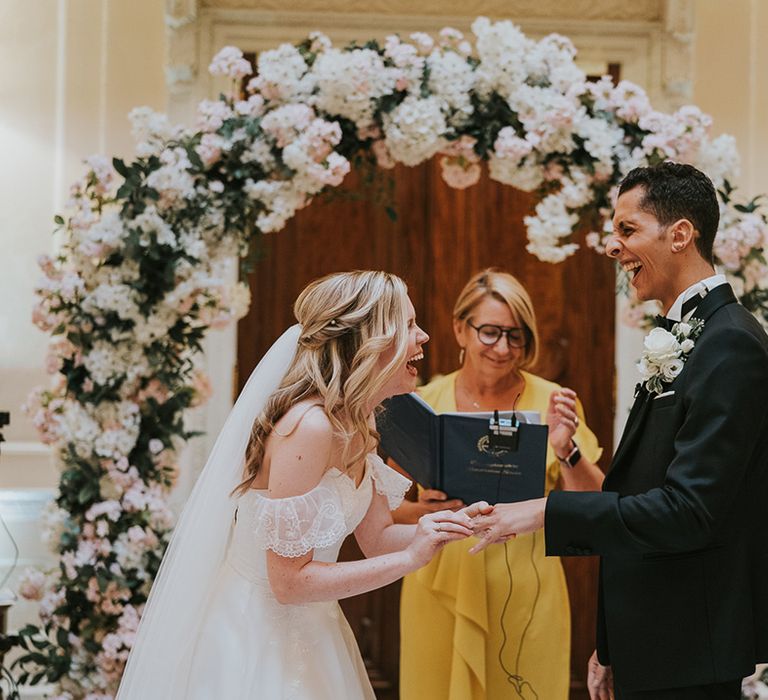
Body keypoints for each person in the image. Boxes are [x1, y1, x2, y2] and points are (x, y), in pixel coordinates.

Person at [471, 163, 768, 700]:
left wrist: (543, 510)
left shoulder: (731, 343)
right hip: (651, 644)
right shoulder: (686, 336)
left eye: (627, 231)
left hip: (688, 653)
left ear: (681, 234)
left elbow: (689, 512)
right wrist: (613, 644)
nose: (612, 247)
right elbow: (638, 492)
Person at [116, 270, 477, 700]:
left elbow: (379, 537)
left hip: (314, 628)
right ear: (369, 339)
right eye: (409, 325)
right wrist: (411, 559)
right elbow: (288, 583)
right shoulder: (309, 428)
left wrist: (448, 527)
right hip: (253, 638)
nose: (424, 337)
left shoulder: (360, 423)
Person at [393, 269, 604, 700]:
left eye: (516, 335)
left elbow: (598, 506)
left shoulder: (554, 402)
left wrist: (566, 450)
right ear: (459, 329)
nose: (503, 348)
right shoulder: (421, 403)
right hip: (438, 585)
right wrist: (428, 510)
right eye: (490, 332)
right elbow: (385, 512)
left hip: (526, 592)